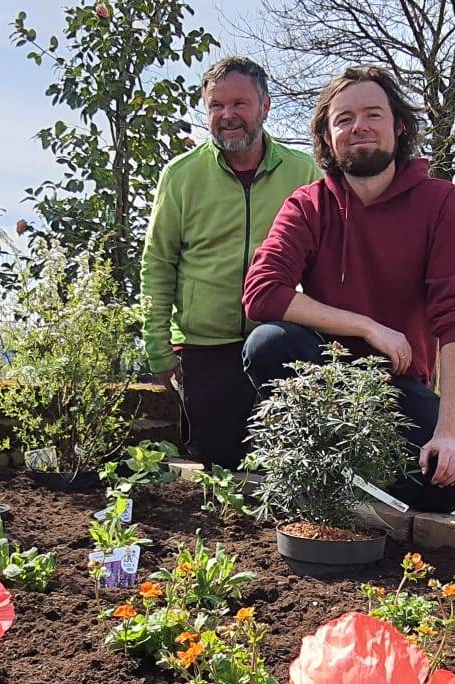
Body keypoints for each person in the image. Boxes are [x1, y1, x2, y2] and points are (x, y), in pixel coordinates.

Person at [240, 65, 455, 514]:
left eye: (373, 114)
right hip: (324, 379)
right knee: (268, 343)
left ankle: (354, 474)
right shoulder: (308, 204)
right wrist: (367, 326)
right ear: (328, 137)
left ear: (399, 126)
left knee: (446, 489)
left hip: (395, 385)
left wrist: (447, 434)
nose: (359, 127)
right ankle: (322, 463)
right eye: (344, 119)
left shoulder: (441, 203)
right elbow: (262, 292)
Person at [141, 56, 322, 469]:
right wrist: (158, 350)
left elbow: (325, 263)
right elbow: (158, 262)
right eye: (216, 106)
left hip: (277, 343)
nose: (227, 116)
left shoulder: (304, 173)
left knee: (284, 464)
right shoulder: (181, 176)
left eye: (239, 103)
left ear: (265, 107)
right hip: (205, 346)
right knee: (220, 464)